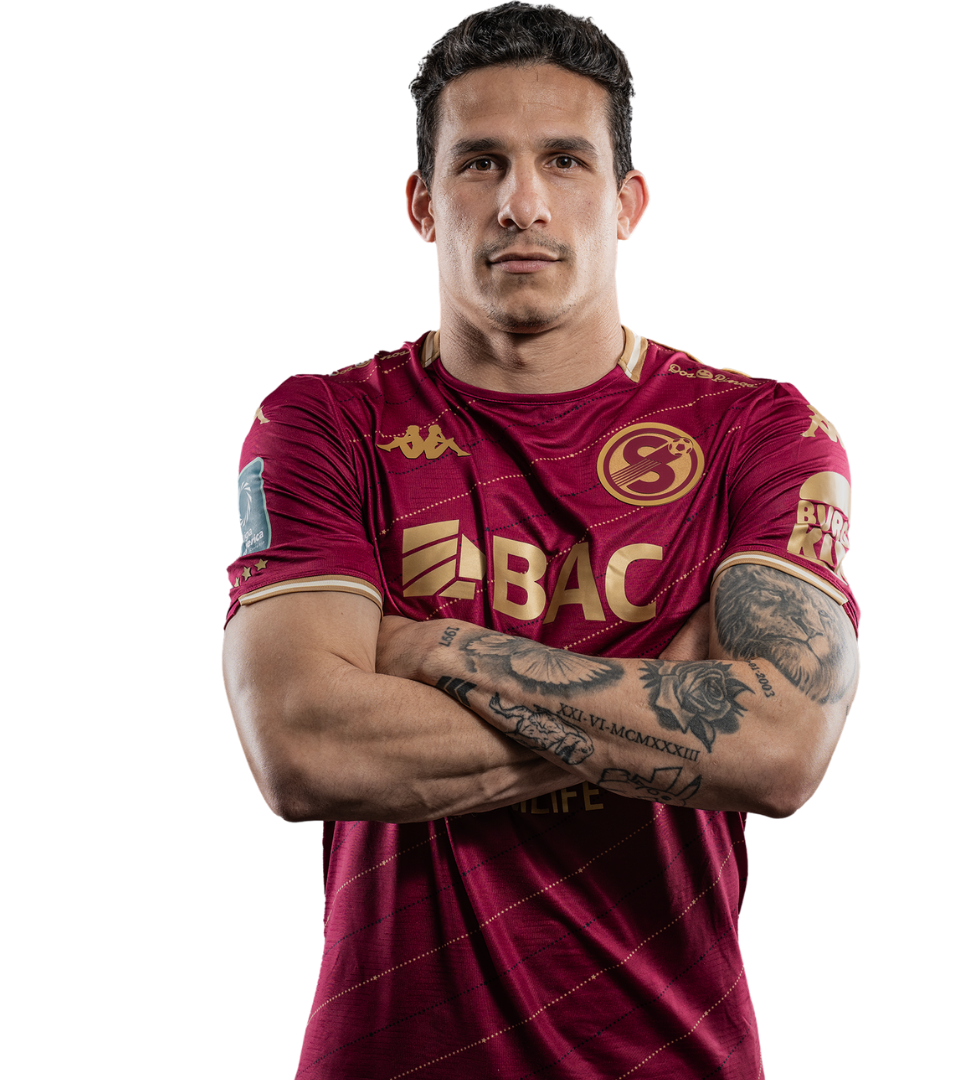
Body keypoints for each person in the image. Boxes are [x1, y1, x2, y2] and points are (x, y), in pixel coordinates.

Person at [221, 3, 861, 1076]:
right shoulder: (324, 424)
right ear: (423, 205)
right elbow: (304, 747)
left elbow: (781, 746)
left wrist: (428, 650)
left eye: (564, 160)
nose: (522, 203)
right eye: (480, 164)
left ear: (628, 203)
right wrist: (672, 704)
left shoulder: (759, 430)